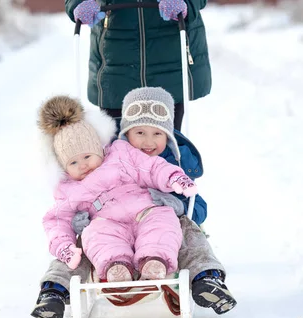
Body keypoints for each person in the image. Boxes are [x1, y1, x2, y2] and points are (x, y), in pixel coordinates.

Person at [31, 87, 237, 318]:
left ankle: (203, 276)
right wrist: (68, 239)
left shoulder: (128, 156)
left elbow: (157, 171)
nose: (148, 142)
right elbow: (56, 220)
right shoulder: (73, 185)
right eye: (139, 132)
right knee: (81, 246)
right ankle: (56, 289)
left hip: (149, 216)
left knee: (182, 227)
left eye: (157, 134)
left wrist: (177, 194)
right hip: (105, 225)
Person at [39, 94, 198, 285]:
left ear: (99, 148)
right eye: (73, 162)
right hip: (105, 221)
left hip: (144, 209)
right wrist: (64, 246)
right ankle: (116, 265)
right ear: (63, 167)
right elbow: (56, 221)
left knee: (163, 220)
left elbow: (150, 167)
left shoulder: (120, 154)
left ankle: (155, 260)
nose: (82, 165)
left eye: (87, 156)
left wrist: (174, 178)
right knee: (94, 235)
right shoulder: (67, 189)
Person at [66, 0, 212, 130]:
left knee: (166, 147)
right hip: (114, 60)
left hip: (170, 58)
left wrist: (187, 2)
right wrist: (78, 3)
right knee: (118, 150)